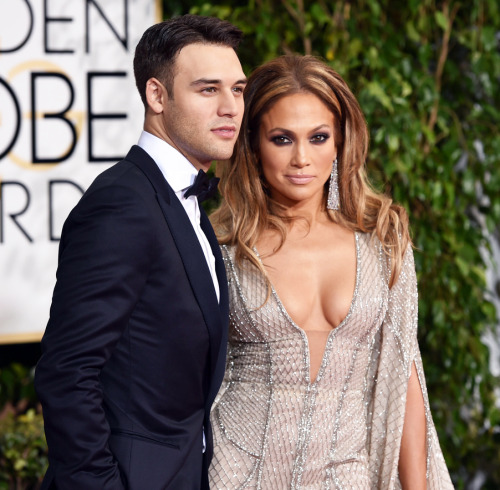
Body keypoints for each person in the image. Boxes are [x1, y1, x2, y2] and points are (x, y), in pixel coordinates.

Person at [208, 55, 453, 489]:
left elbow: (402, 378)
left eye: (318, 137)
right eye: (281, 139)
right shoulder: (222, 246)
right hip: (237, 472)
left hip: (347, 474)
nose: (301, 158)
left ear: (340, 141)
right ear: (253, 145)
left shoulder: (384, 241)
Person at [35, 14, 247, 490]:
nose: (231, 107)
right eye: (208, 89)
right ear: (156, 96)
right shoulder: (123, 203)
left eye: (237, 89)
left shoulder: (181, 200)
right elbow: (66, 372)